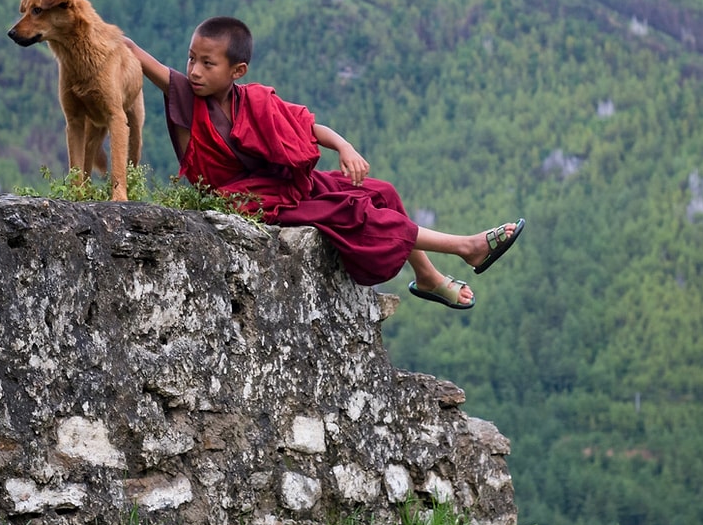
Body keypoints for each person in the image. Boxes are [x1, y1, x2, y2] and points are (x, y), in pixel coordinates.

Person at [124, 17, 524, 310]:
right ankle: (465, 247)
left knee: (380, 192)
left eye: (207, 64)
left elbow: (309, 127)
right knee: (353, 208)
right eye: (191, 59)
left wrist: (344, 147)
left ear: (237, 71)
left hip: (282, 186)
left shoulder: (256, 100)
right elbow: (137, 55)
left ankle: (427, 276)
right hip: (246, 200)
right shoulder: (185, 94)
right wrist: (95, 29)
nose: (194, 71)